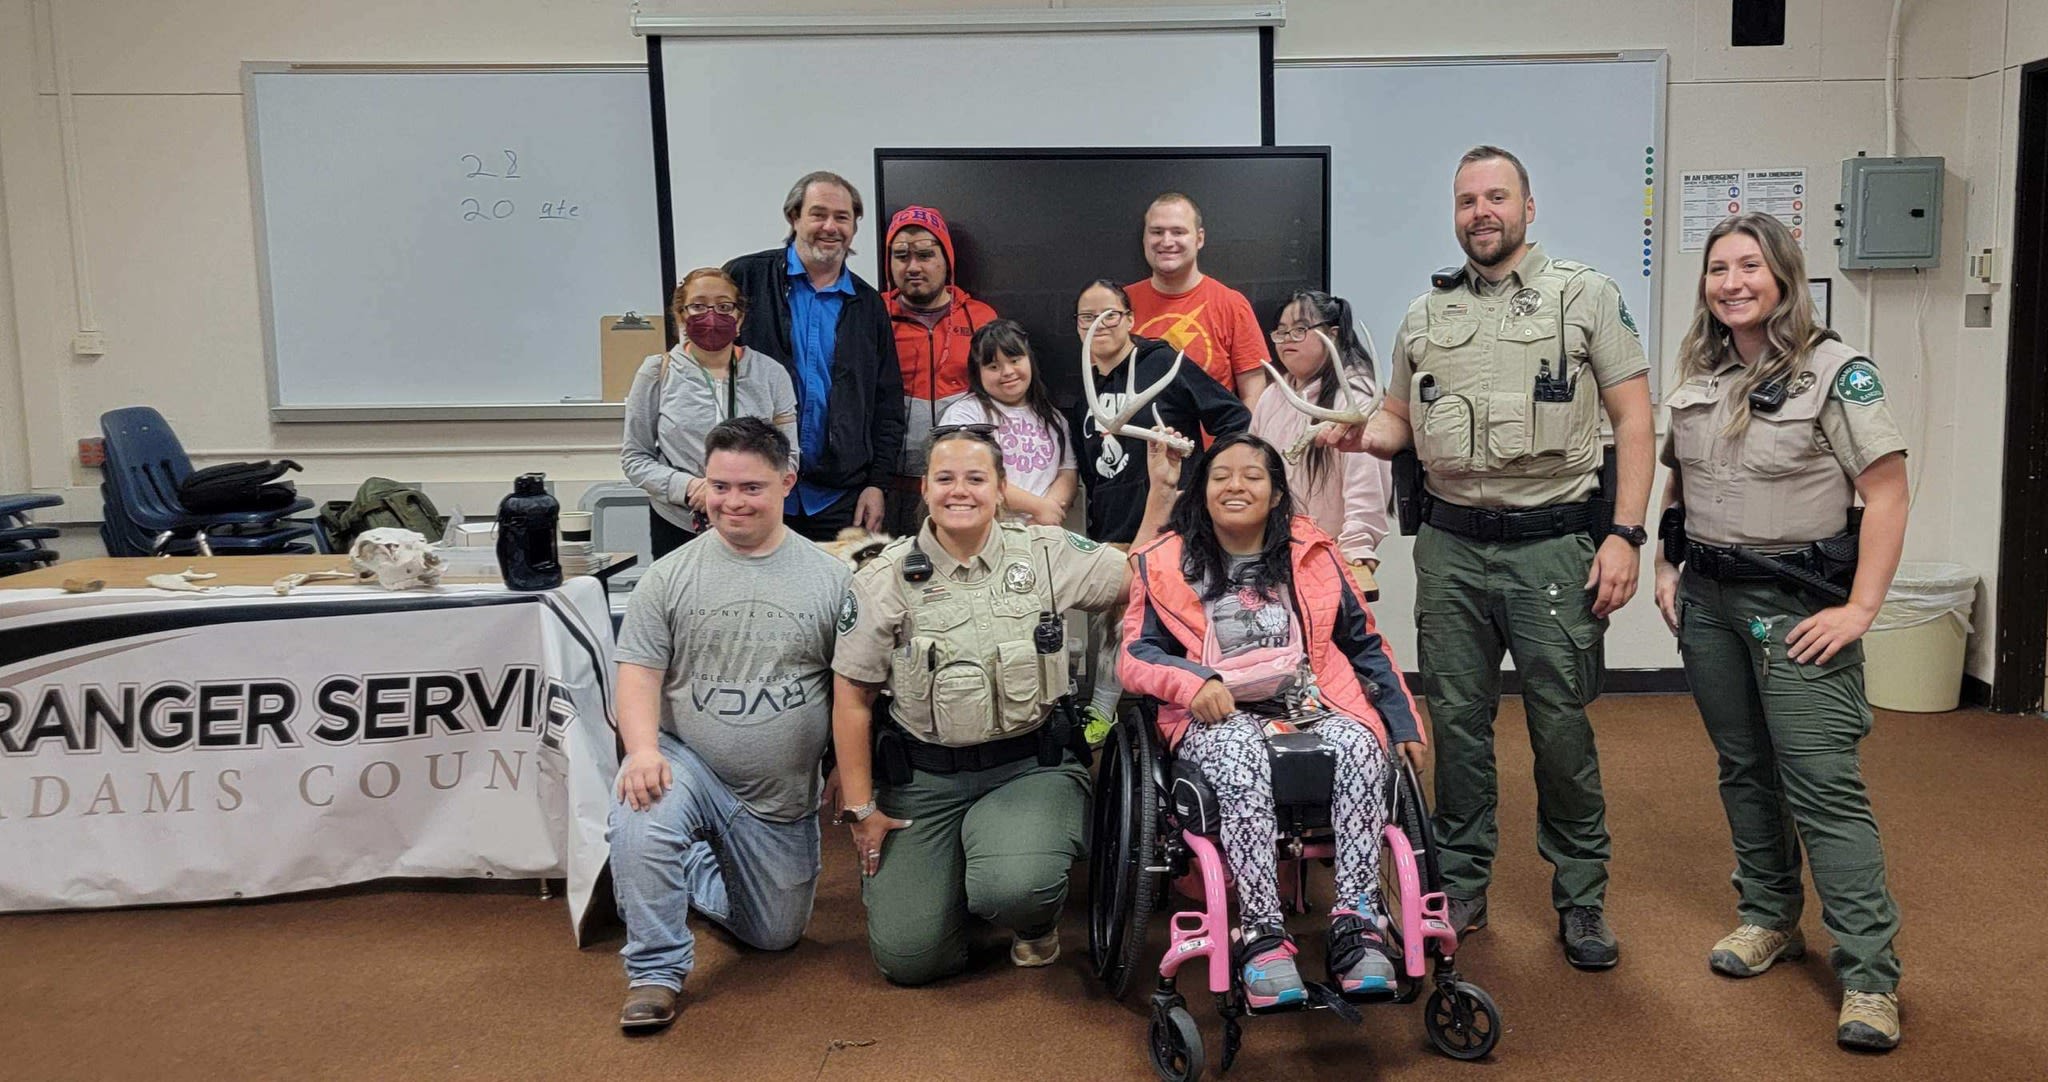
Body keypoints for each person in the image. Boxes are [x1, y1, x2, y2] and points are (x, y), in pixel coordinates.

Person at [1329, 145, 1655, 969]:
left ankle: (1581, 898)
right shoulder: (1424, 316)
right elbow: (1401, 419)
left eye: (1496, 197)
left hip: (1554, 548)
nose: (1482, 212)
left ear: (1528, 207)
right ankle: (1463, 883)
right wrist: (1368, 435)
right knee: (1459, 728)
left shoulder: (1585, 297)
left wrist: (1625, 534)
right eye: (1468, 200)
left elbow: (1636, 421)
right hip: (1450, 550)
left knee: (1561, 730)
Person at [1652, 212, 1909, 1052]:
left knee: (1822, 784)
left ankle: (1869, 974)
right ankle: (1768, 916)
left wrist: (1861, 609)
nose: (1732, 282)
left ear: (1784, 276)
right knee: (1743, 768)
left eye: (1750, 267)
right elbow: (1680, 484)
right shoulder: (1701, 372)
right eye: (1719, 268)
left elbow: (1889, 493)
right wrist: (1666, 564)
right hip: (1711, 607)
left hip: (1797, 610)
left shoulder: (1838, 373)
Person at [1120, 432, 1424, 1006]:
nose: (1236, 485)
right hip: (1214, 713)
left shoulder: (1313, 551)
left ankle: (1356, 926)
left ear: (1277, 490)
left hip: (1310, 703)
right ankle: (1261, 933)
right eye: (1221, 475)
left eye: (1253, 475)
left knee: (1361, 744)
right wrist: (1194, 681)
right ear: (1202, 490)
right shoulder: (1162, 561)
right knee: (1238, 747)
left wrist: (1402, 723)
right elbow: (1135, 654)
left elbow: (1365, 645)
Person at [829, 426, 1131, 986]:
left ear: (1001, 489)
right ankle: (958, 883)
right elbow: (852, 698)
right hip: (923, 776)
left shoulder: (1046, 554)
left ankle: (1027, 918)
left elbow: (1139, 582)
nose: (959, 491)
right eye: (945, 478)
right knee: (910, 961)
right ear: (924, 488)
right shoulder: (883, 579)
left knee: (1015, 888)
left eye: (976, 478)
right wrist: (863, 810)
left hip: (1027, 768)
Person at [607, 417, 851, 1032]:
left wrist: (850, 768)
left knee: (775, 936)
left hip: (776, 800)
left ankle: (689, 868)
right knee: (643, 812)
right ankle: (655, 972)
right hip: (688, 761)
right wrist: (640, 751)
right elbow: (636, 675)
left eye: (750, 488)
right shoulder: (669, 576)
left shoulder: (831, 580)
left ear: (786, 483)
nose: (732, 502)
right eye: (720, 486)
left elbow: (855, 690)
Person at [1070, 278, 1251, 741]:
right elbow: (1092, 472)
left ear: (1130, 319)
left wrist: (1205, 480)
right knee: (1117, 628)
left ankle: (1191, 724)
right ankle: (1104, 716)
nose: (1098, 325)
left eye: (1109, 314)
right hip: (1114, 530)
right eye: (1087, 318)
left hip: (1174, 527)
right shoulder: (1085, 391)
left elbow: (1233, 417)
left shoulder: (1164, 363)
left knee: (1179, 625)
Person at [725, 171, 905, 541]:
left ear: (854, 227)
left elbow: (886, 404)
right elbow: (703, 373)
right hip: (756, 490)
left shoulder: (868, 305)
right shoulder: (745, 279)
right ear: (794, 218)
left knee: (840, 598)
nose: (830, 227)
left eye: (842, 217)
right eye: (818, 214)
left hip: (839, 497)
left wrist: (877, 484)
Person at [621, 268, 799, 556]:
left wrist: (749, 494)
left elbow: (788, 456)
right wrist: (690, 487)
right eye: (698, 306)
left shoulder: (771, 374)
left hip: (753, 522)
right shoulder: (656, 372)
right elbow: (634, 457)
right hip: (679, 524)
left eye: (724, 307)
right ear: (681, 315)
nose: (712, 315)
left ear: (739, 318)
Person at [1250, 290, 1393, 597]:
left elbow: (1366, 493)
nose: (1288, 339)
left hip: (1326, 564)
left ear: (1333, 334)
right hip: (1272, 560)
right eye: (1281, 331)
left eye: (1300, 329)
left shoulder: (1355, 401)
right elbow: (1254, 471)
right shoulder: (1271, 397)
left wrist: (1354, 553)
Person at [883, 205, 1000, 535]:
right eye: (901, 255)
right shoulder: (873, 314)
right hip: (893, 487)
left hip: (962, 490)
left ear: (947, 259)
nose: (913, 266)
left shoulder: (980, 317)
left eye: (925, 254)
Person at [1126, 192, 1271, 403]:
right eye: (1157, 232)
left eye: (1178, 232)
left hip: (1217, 437)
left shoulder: (1232, 304)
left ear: (1199, 238)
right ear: (1145, 239)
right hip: (1134, 436)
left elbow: (1254, 393)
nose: (1167, 242)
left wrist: (1241, 437)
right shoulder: (1121, 304)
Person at [938, 319, 1076, 527]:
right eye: (993, 366)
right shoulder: (965, 414)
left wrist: (1048, 513)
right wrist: (1038, 507)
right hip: (985, 532)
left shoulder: (1054, 418)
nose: (1007, 372)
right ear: (978, 372)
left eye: (1015, 360)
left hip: (1042, 529)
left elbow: (1067, 472)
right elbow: (969, 477)